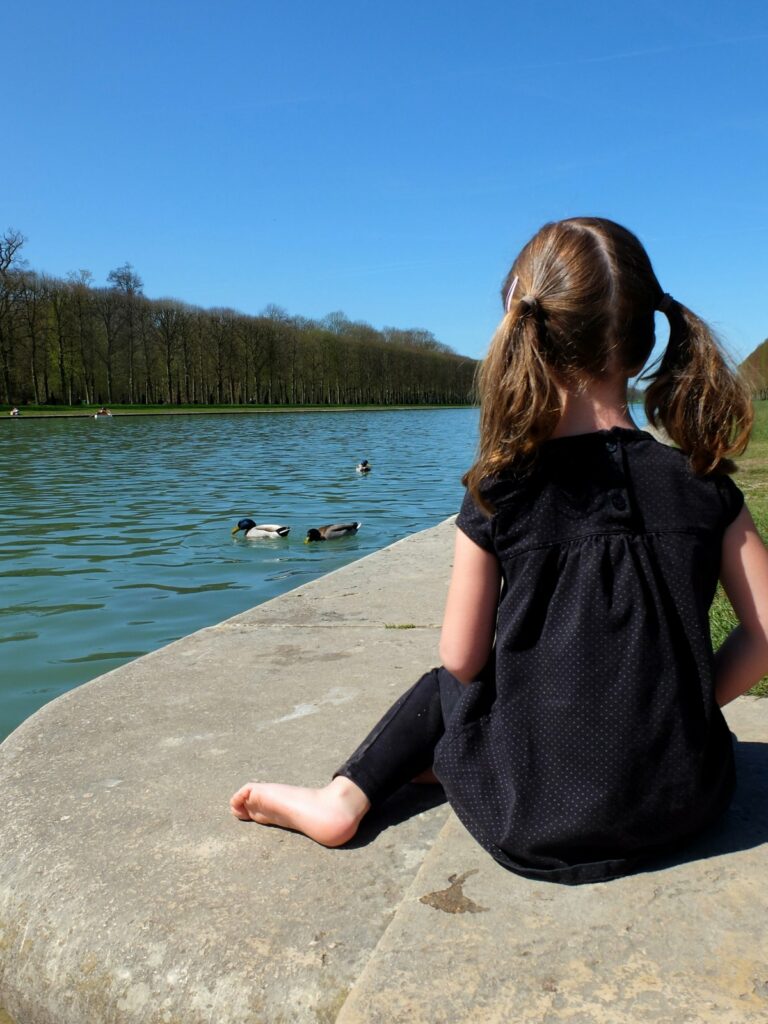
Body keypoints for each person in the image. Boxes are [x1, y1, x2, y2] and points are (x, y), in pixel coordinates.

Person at [231, 217, 768, 884]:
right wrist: (673, 707)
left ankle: (342, 800)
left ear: (526, 328)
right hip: (682, 802)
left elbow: (459, 659)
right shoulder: (704, 484)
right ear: (644, 336)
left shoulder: (501, 488)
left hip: (537, 819)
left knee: (441, 691)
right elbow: (765, 633)